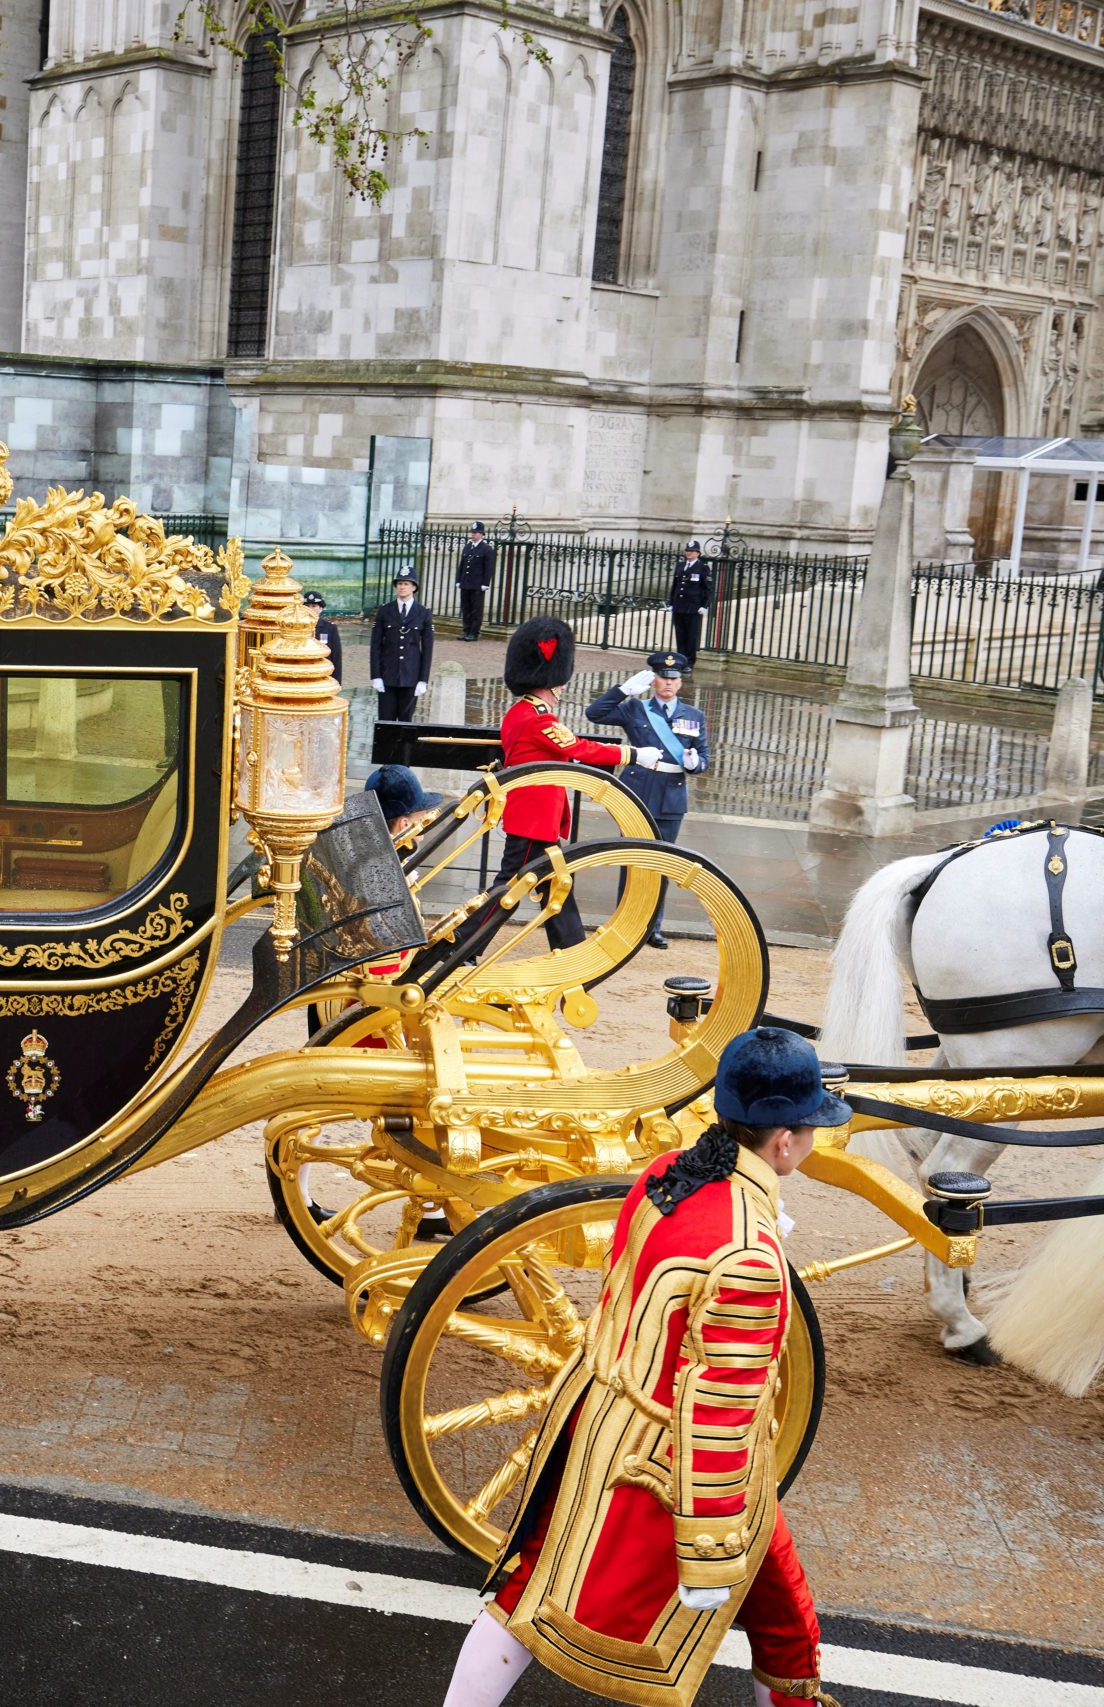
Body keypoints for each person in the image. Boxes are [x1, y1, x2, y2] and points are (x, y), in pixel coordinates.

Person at [441, 1025, 844, 1707]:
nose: (812, 1138)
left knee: (531, 1587)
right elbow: (719, 1411)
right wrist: (709, 1549)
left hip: (598, 1423)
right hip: (675, 1470)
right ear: (782, 1141)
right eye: (810, 1127)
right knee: (787, 1629)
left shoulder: (669, 1170)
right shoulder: (750, 1257)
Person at [491, 616, 647, 951]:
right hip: (533, 819)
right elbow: (579, 747)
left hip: (534, 817)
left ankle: (573, 950)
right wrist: (631, 754)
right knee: (509, 888)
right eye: (558, 684)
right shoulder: (539, 720)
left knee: (556, 882)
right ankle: (465, 941)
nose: (561, 690)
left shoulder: (522, 713)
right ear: (550, 681)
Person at [586, 651, 710, 949]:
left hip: (671, 795)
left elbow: (704, 757)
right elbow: (595, 713)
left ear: (681, 682)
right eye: (663, 678)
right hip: (638, 792)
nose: (668, 683)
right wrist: (622, 690)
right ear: (653, 680)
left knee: (661, 863)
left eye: (674, 679)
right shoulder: (635, 709)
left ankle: (652, 925)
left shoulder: (694, 716)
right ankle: (625, 923)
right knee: (632, 860)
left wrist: (695, 763)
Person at [369, 568, 434, 723]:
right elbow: (375, 645)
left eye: (406, 583)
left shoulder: (423, 613)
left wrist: (423, 679)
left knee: (405, 722)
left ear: (414, 587)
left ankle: (404, 748)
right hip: (388, 674)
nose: (402, 587)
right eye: (399, 583)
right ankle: (386, 748)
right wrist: (376, 675)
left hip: (411, 675)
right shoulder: (385, 611)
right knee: (386, 722)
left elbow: (427, 649)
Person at [669, 539, 714, 664]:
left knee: (691, 636)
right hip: (679, 606)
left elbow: (708, 589)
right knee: (680, 634)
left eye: (692, 551)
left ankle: (689, 661)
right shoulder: (680, 566)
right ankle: (680, 660)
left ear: (698, 553)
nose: (689, 553)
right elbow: (675, 586)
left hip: (693, 607)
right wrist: (671, 603)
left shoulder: (703, 568)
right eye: (687, 550)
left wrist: (704, 605)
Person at [456, 521, 494, 642]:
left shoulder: (486, 549)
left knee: (476, 609)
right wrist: (458, 580)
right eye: (472, 532)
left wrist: (485, 583)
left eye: (476, 533)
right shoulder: (467, 547)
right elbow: (461, 566)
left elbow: (488, 568)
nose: (473, 535)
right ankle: (466, 630)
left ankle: (474, 632)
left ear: (482, 534)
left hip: (477, 584)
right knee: (465, 607)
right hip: (466, 583)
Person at [304, 588, 343, 682]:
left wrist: (337, 681)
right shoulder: (295, 628)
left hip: (323, 674)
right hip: (303, 673)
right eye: (307, 606)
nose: (310, 609)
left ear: (320, 608)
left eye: (314, 606)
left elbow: (336, 657)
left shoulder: (330, 628)